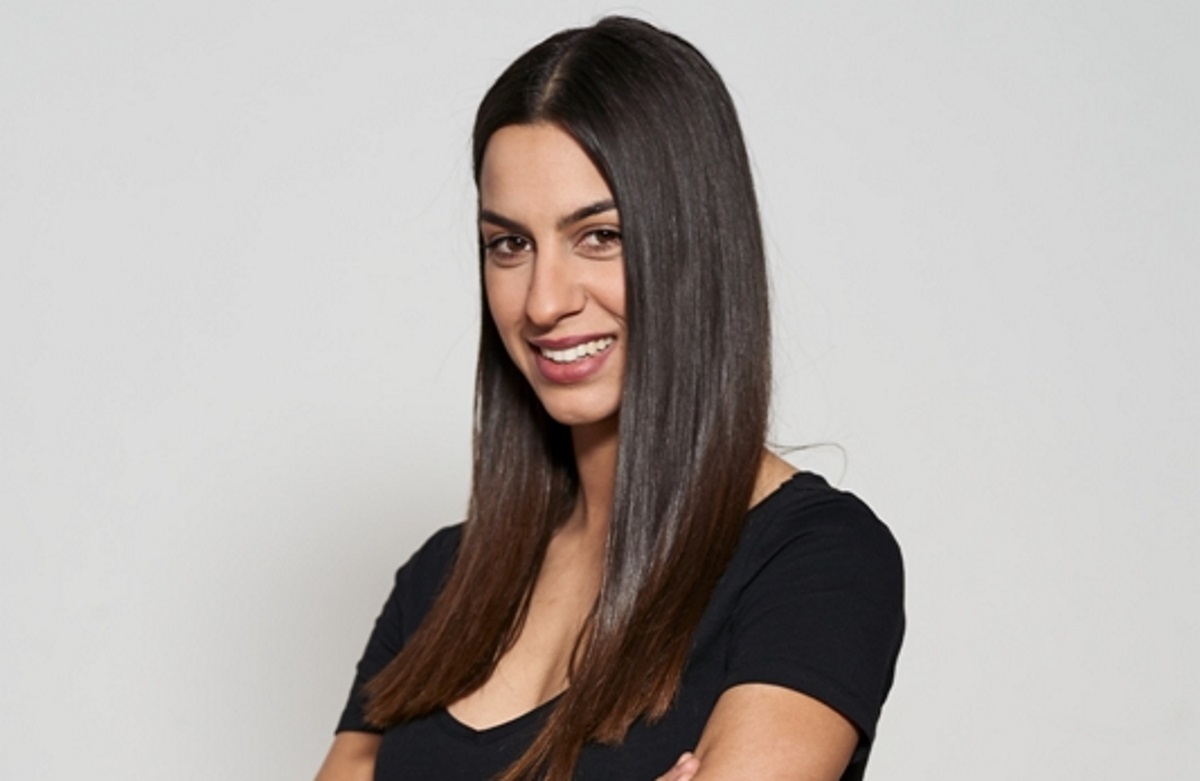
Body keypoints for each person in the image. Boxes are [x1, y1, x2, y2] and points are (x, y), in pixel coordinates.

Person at [314, 16, 903, 781]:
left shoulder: (816, 559)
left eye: (600, 236)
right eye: (510, 244)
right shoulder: (440, 580)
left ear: (693, 243)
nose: (543, 301)